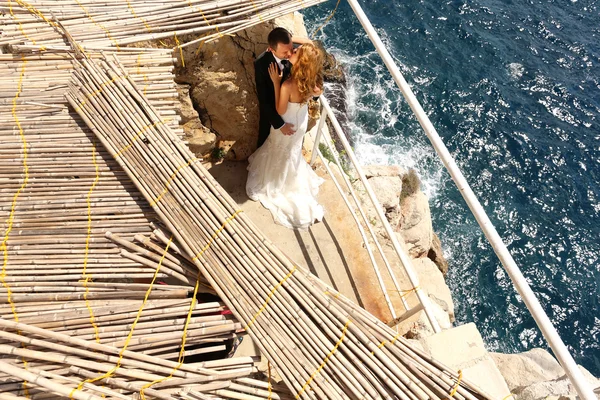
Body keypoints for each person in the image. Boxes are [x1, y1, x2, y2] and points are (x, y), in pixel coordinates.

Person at [246, 43, 325, 230]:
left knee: (279, 148)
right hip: (299, 123)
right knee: (292, 152)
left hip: (286, 121)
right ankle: (289, 177)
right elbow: (317, 93)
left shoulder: (288, 84)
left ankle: (278, 182)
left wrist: (276, 83)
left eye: (296, 51)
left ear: (302, 60)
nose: (292, 50)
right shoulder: (313, 83)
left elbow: (280, 109)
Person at [254, 27, 312, 148]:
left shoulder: (296, 51)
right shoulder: (261, 64)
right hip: (274, 115)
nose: (290, 54)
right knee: (265, 147)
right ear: (271, 49)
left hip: (293, 113)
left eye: (291, 49)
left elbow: (311, 45)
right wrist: (279, 125)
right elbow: (264, 100)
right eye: (285, 53)